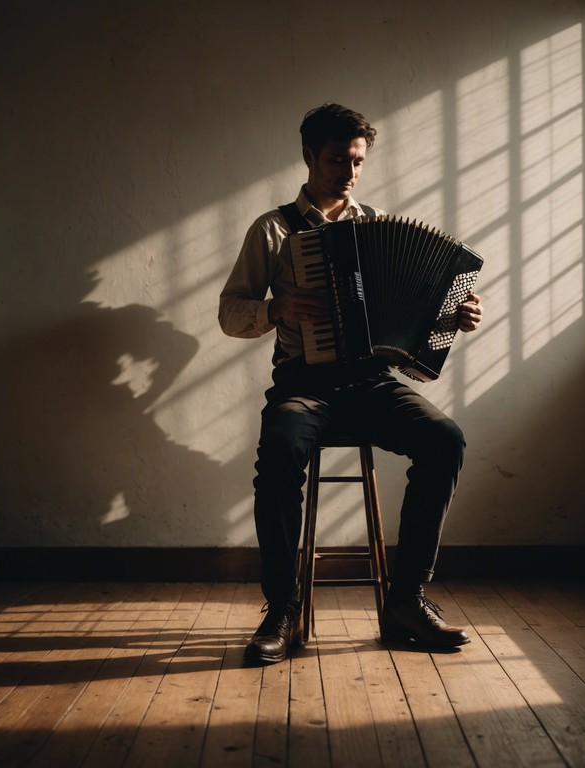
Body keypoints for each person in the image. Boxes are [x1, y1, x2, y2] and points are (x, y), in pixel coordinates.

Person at [219, 104, 483, 665]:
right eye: (339, 159)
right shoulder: (273, 230)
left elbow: (414, 326)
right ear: (310, 156)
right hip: (303, 384)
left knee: (446, 439)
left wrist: (451, 317)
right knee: (281, 448)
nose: (350, 171)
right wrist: (277, 307)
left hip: (370, 384)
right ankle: (283, 609)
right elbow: (229, 312)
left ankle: (407, 599)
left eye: (358, 161)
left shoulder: (375, 223)